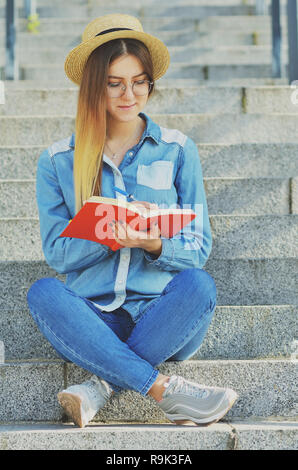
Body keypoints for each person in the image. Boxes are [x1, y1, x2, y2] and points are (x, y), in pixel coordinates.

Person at [26, 13, 238, 429]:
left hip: (162, 314)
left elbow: (199, 248)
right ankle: (162, 389)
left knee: (200, 285)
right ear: (93, 85)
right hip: (93, 316)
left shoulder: (178, 149)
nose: (130, 94)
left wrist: (152, 244)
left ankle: (100, 384)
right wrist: (107, 236)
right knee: (44, 295)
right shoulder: (57, 160)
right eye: (114, 82)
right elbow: (57, 253)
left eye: (139, 81)